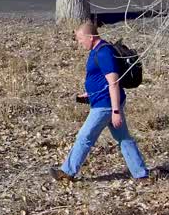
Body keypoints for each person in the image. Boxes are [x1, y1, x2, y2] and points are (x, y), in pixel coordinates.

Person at [50, 19, 149, 181]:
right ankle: (141, 173)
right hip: (103, 100)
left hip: (106, 105)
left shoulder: (104, 53)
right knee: (123, 138)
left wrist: (116, 111)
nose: (80, 43)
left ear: (90, 37)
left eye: (80, 39)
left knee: (84, 137)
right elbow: (101, 80)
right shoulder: (95, 51)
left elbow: (113, 82)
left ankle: (67, 172)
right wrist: (90, 93)